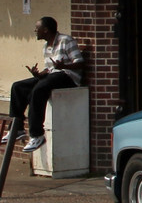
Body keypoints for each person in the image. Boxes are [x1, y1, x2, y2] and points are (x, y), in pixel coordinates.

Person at [6, 16, 84, 153]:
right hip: (53, 76)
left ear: (46, 30)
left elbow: (80, 62)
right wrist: (38, 74)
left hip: (68, 77)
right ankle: (17, 127)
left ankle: (37, 134)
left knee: (38, 89)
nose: (35, 31)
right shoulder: (46, 47)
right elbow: (49, 70)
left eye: (37, 29)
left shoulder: (66, 41)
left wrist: (65, 65)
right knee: (18, 87)